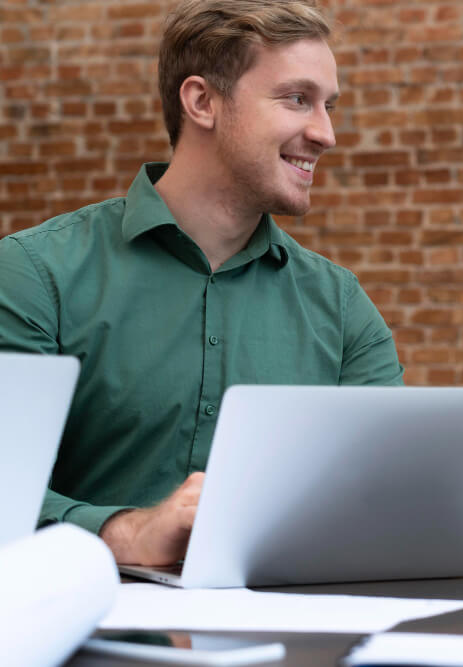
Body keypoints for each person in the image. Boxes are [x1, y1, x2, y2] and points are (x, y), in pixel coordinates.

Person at [0, 0, 403, 566]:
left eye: (328, 106)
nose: (326, 133)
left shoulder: (341, 308)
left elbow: (390, 493)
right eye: (297, 99)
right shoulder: (35, 276)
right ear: (203, 101)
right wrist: (126, 534)